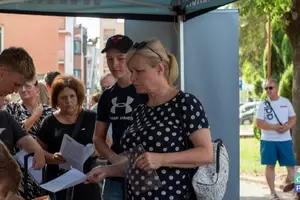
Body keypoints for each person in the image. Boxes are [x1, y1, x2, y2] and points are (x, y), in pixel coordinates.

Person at [87, 39, 213, 200]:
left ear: (159, 69)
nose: (132, 78)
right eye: (131, 71)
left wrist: (161, 159)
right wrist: (107, 171)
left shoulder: (185, 103)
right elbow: (138, 163)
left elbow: (206, 153)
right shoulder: (141, 110)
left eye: (138, 71)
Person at [92, 35, 146, 200]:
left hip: (144, 169)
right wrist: (114, 158)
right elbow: (98, 138)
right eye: (109, 59)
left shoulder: (146, 90)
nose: (114, 64)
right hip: (114, 173)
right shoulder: (107, 96)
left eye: (120, 58)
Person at [37, 75, 101, 200]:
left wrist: (94, 152)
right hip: (59, 183)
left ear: (78, 97)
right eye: (63, 98)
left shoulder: (91, 117)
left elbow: (105, 143)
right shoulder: (49, 122)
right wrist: (52, 157)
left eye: (72, 96)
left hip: (87, 181)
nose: (69, 101)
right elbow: (38, 150)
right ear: (56, 100)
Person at [5, 77, 53, 199]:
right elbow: (14, 135)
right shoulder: (11, 109)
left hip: (44, 165)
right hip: (19, 168)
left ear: (37, 88)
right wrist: (34, 117)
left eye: (27, 86)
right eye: (20, 86)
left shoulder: (49, 112)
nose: (23, 89)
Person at [256, 79, 297, 200]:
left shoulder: (285, 102)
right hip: (268, 141)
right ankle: (273, 193)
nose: (268, 90)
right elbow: (259, 123)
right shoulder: (263, 105)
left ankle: (298, 191)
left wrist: (287, 127)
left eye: (271, 88)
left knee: (292, 166)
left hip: (285, 140)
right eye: (266, 88)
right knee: (270, 166)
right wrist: (274, 127)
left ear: (277, 88)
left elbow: (293, 118)